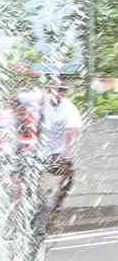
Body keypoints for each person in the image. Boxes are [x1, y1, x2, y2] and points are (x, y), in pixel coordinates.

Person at [38, 75, 82, 210]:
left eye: (62, 90)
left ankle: (56, 206)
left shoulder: (69, 108)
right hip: (37, 150)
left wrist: (66, 156)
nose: (59, 93)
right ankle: (37, 202)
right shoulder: (40, 103)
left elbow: (71, 131)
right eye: (55, 89)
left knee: (69, 176)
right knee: (32, 175)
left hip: (55, 153)